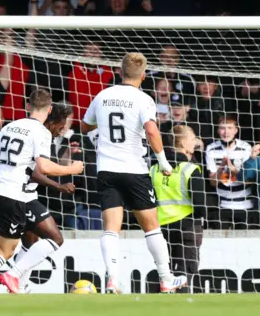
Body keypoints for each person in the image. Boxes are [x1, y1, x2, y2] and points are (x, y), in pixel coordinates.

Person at [80, 52, 187, 294]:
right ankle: (166, 279)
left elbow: (85, 125)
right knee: (151, 227)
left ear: (120, 72)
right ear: (144, 75)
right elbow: (151, 130)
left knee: (110, 228)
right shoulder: (143, 99)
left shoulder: (103, 95)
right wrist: (163, 162)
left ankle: (112, 280)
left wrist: (100, 128)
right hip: (134, 170)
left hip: (107, 169)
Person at [0, 89, 83, 293]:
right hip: (13, 194)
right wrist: (72, 169)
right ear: (49, 109)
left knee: (8, 243)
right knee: (6, 250)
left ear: (28, 106)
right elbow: (43, 167)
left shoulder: (11, 126)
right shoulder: (40, 132)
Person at [0, 102, 76, 293]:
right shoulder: (40, 133)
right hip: (22, 197)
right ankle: (13, 274)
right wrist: (62, 181)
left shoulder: (20, 127)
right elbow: (35, 171)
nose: (63, 129)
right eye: (62, 124)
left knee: (28, 242)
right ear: (53, 120)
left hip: (19, 194)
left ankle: (19, 285)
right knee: (55, 239)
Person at [151, 125, 206, 292]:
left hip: (161, 228)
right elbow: (200, 205)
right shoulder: (190, 169)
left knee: (164, 272)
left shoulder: (154, 169)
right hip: (187, 227)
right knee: (184, 272)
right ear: (182, 142)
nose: (195, 141)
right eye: (192, 138)